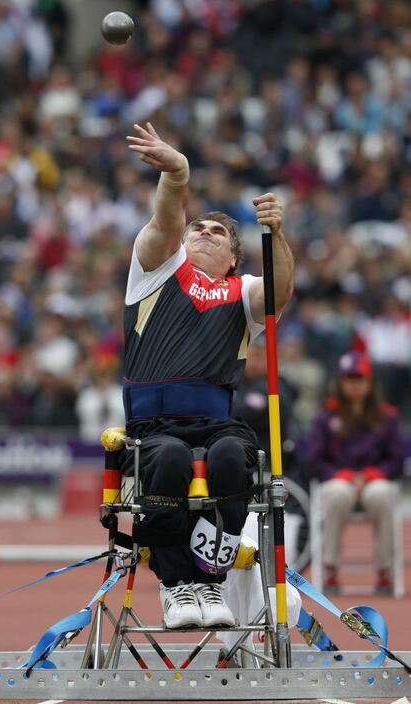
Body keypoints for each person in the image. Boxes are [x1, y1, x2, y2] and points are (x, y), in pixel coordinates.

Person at [121, 122, 294, 629]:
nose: (203, 232)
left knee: (228, 458)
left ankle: (209, 580)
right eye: (199, 227)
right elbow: (168, 218)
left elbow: (279, 294)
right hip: (153, 429)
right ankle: (177, 586)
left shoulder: (242, 291)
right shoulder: (155, 268)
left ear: (235, 258)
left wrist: (277, 236)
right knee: (171, 459)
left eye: (217, 232)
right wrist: (177, 172)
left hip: (217, 424)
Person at [307, 351, 405, 595]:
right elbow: (315, 458)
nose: (355, 385)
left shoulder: (387, 415)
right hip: (339, 480)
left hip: (375, 481)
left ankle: (385, 570)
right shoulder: (326, 415)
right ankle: (330, 568)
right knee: (337, 495)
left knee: (382, 495)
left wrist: (372, 474)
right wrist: (344, 475)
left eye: (359, 378)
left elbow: (397, 458)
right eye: (349, 379)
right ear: (340, 382)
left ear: (369, 382)